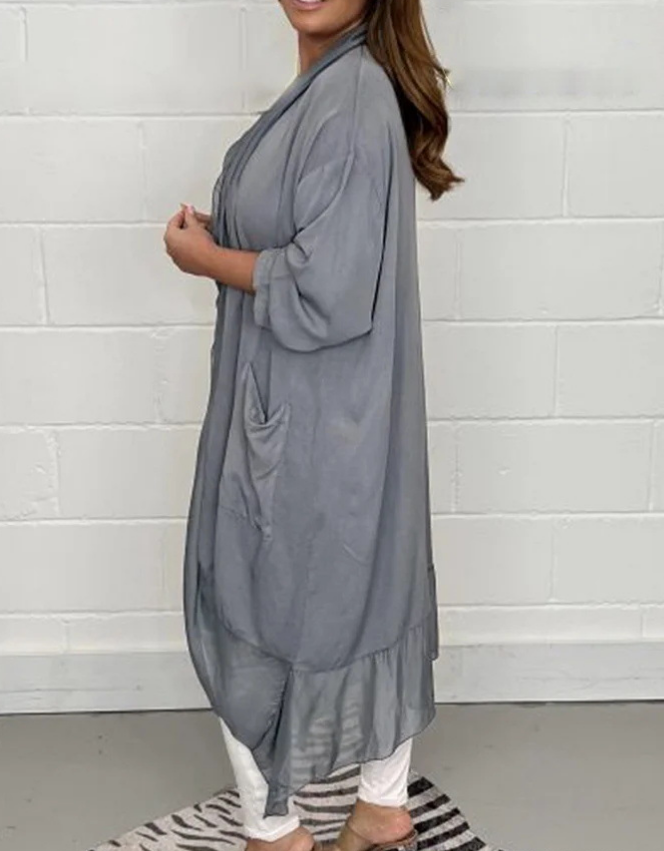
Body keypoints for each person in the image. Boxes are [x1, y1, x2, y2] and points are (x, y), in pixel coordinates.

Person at [163, 1, 462, 850]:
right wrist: (228, 236)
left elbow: (327, 289)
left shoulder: (353, 95)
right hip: (330, 409)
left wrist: (205, 259)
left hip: (312, 416)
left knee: (248, 596)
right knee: (365, 587)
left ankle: (277, 831)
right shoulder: (336, 88)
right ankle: (381, 809)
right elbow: (319, 244)